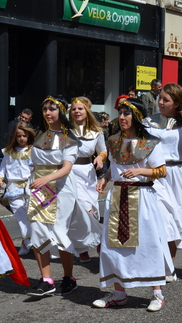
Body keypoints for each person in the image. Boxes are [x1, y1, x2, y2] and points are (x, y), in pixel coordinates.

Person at [93, 98, 174, 311]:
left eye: (126, 114)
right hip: (118, 196)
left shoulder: (150, 142)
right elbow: (115, 167)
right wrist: (105, 178)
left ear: (136, 117)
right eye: (120, 113)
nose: (121, 117)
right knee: (114, 247)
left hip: (142, 197)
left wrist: (140, 171)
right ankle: (119, 293)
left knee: (148, 245)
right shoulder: (113, 141)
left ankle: (157, 293)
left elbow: (161, 170)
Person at [26, 95, 101, 297]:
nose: (48, 113)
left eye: (52, 109)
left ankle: (69, 277)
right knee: (37, 230)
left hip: (61, 190)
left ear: (62, 111)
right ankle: (47, 280)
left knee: (60, 231)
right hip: (37, 189)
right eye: (45, 109)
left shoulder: (70, 138)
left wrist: (45, 179)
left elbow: (67, 168)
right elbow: (32, 164)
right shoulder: (40, 135)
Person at [143, 83, 182, 266]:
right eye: (160, 98)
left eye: (165, 100)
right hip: (156, 173)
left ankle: (169, 263)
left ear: (177, 103)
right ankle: (157, 261)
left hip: (179, 174)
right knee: (161, 216)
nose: (160, 102)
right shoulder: (149, 122)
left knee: (176, 220)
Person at [68, 96, 107, 263]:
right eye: (74, 109)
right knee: (82, 209)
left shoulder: (96, 131)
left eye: (80, 108)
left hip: (88, 174)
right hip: (69, 172)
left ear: (87, 111)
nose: (77, 111)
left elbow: (103, 151)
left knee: (92, 209)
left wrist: (100, 158)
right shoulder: (65, 130)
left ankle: (88, 244)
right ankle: (88, 243)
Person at [0, 122, 36, 255]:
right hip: (13, 188)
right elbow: (2, 169)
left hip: (30, 186)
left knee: (30, 215)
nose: (21, 138)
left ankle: (25, 244)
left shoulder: (34, 151)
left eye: (24, 136)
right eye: (18, 136)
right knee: (20, 215)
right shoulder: (8, 152)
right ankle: (27, 241)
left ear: (29, 135)